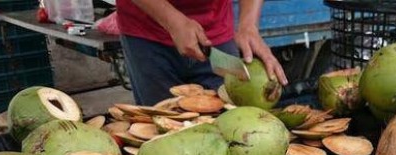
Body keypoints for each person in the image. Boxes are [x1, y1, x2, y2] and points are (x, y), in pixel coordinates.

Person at [116, 0, 288, 106]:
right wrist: (172, 20)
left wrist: (249, 25)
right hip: (148, 32)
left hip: (216, 32)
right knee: (163, 125)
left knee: (232, 121)